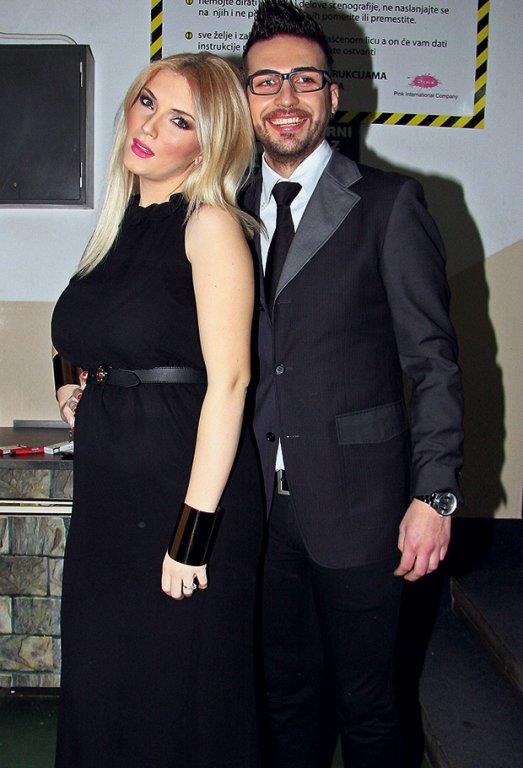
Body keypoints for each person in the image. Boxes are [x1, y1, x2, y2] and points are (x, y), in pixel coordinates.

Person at [241, 2, 464, 766]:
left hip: (363, 507)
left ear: (332, 96)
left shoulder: (388, 204)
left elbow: (431, 363)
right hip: (255, 509)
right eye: (266, 81)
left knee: (368, 707)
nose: (286, 97)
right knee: (281, 700)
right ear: (245, 99)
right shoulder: (219, 209)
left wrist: (434, 495)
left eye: (304, 79)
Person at [51, 52, 264, 768]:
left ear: (207, 145)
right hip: (111, 497)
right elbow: (79, 331)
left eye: (180, 121)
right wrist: (72, 382)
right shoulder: (118, 224)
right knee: (102, 687)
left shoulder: (210, 225)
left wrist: (192, 535)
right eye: (148, 102)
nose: (148, 126)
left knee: (177, 701)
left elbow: (230, 382)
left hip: (181, 494)